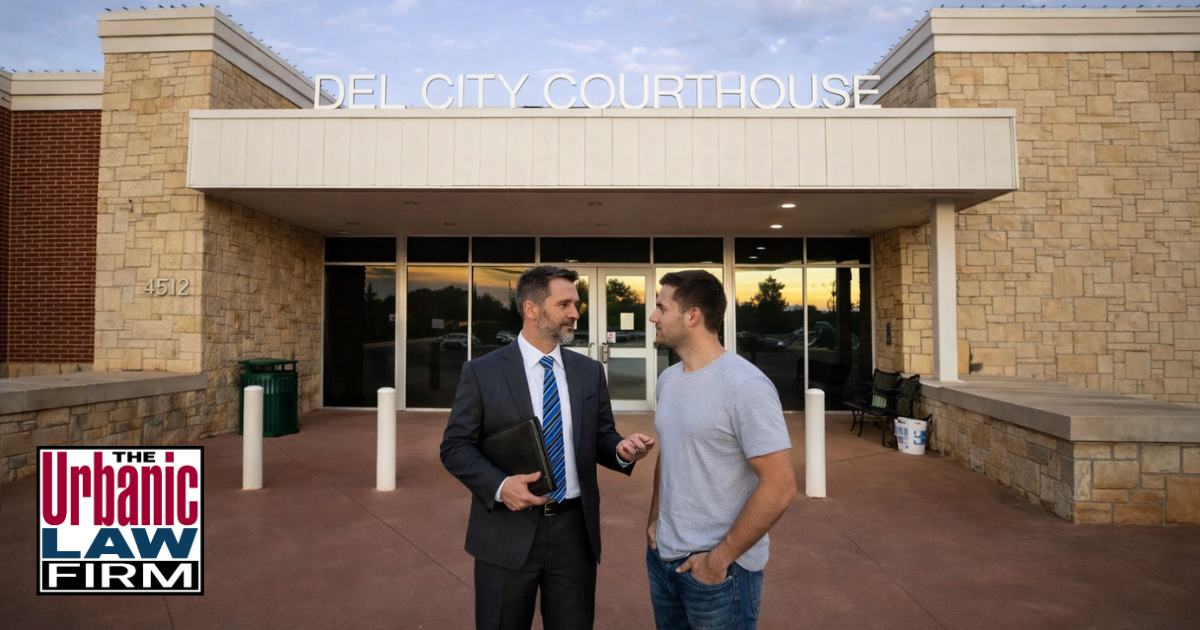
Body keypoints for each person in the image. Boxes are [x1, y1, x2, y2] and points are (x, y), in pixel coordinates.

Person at [440, 265, 656, 630]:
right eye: (565, 304)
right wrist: (500, 485)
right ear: (531, 309)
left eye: (576, 303)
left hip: (574, 533)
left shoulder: (588, 372)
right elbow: (455, 446)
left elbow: (601, 435)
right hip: (504, 532)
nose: (575, 312)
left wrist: (620, 449)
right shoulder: (483, 372)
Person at [645, 270, 796, 629]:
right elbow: (671, 453)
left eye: (661, 308)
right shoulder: (668, 380)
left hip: (719, 573)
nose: (653, 317)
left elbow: (780, 486)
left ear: (692, 315)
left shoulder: (746, 386)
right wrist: (654, 522)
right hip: (663, 559)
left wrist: (718, 560)